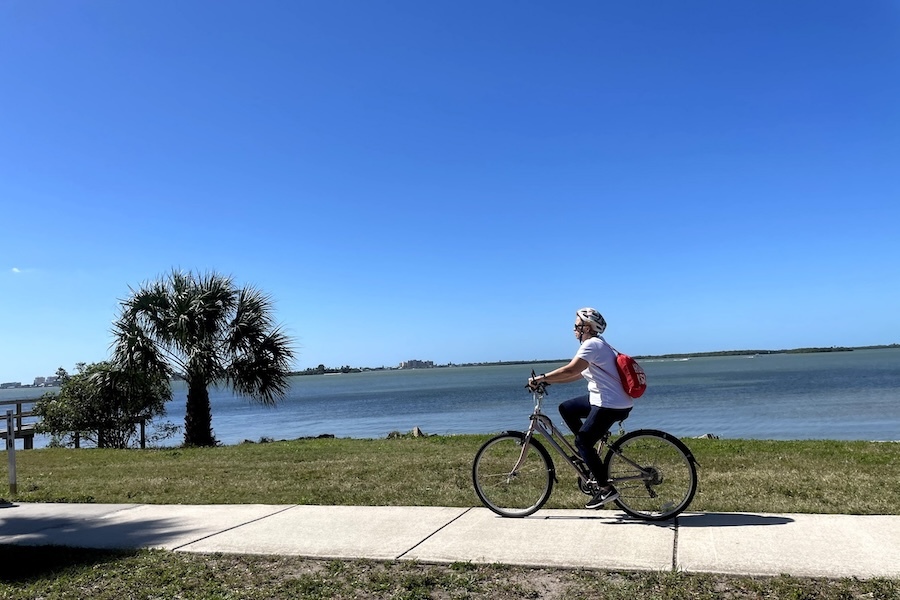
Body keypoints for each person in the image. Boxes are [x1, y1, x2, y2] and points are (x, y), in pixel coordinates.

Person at [527, 307, 633, 509]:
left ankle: (605, 489)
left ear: (587, 327)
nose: (574, 329)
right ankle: (588, 454)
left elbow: (570, 369)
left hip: (610, 403)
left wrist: (541, 378)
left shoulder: (591, 345)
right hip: (607, 399)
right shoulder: (598, 345)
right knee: (567, 408)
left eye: (577, 325)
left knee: (582, 441)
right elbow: (577, 374)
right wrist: (549, 382)